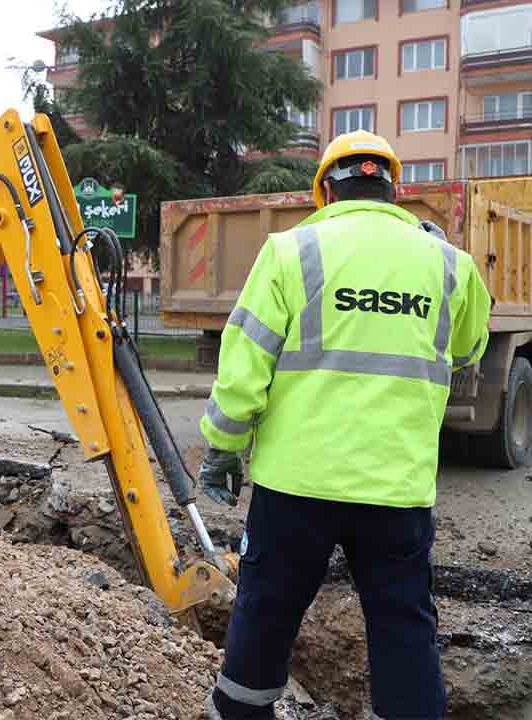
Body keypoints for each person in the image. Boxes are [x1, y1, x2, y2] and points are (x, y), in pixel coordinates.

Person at [199, 130, 492, 720]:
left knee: (268, 609)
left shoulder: (290, 251)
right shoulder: (447, 263)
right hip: (396, 490)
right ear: (392, 188)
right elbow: (469, 348)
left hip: (295, 487)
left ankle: (240, 714)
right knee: (401, 620)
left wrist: (223, 449)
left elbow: (243, 369)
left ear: (326, 192)